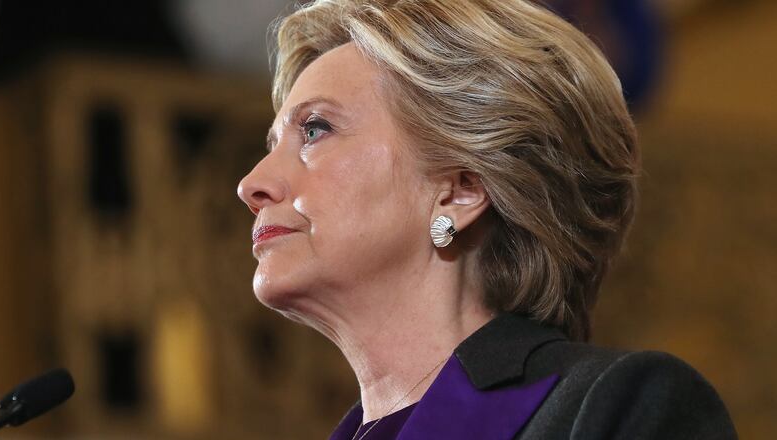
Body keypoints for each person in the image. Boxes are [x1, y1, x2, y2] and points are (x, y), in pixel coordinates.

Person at [237, 0, 737, 438]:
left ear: (461, 190)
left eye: (316, 129)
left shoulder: (623, 409)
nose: (251, 183)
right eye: (272, 145)